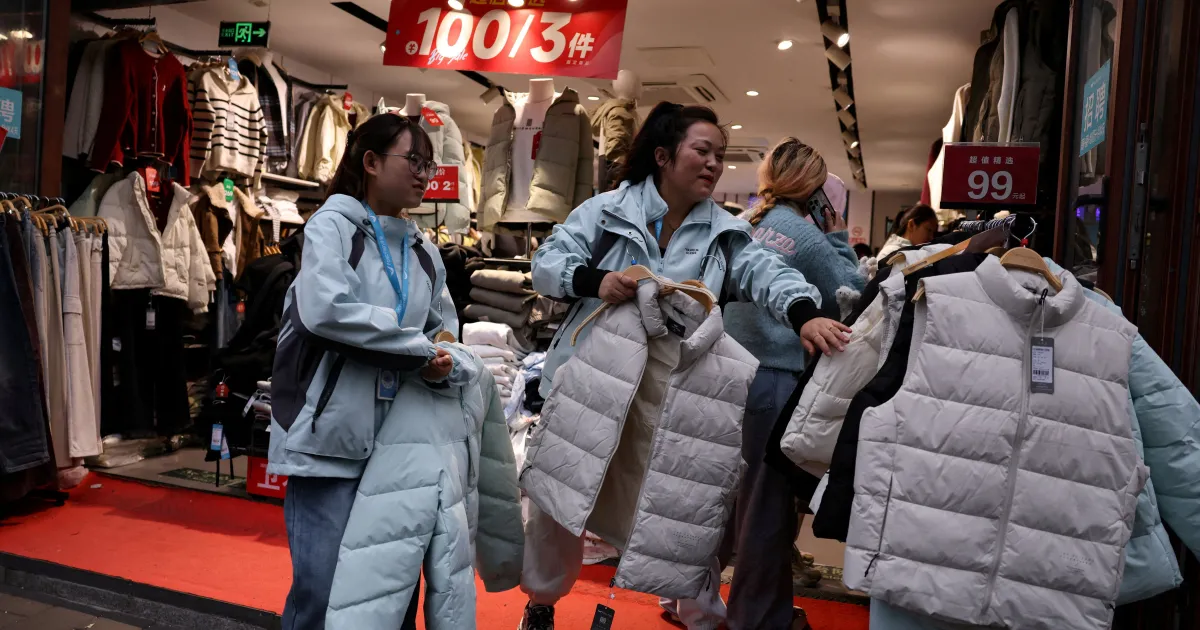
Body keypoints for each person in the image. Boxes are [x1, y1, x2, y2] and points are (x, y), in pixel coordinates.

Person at [520, 102, 851, 630]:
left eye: (720, 154)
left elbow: (766, 273)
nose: (714, 163)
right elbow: (547, 264)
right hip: (592, 383)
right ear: (663, 155)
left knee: (684, 503)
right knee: (562, 494)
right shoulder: (605, 212)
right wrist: (598, 281)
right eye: (703, 151)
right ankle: (541, 602)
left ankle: (698, 614)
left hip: (672, 391)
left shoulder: (724, 231)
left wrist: (804, 314)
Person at [267, 113, 464, 630]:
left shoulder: (424, 251)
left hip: (397, 449)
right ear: (371, 162)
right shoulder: (332, 227)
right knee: (323, 591)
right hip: (327, 439)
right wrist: (416, 350)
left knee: (388, 596)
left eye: (429, 165)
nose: (424, 175)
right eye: (413, 160)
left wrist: (443, 360)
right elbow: (325, 311)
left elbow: (443, 328)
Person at [723, 139, 865, 630]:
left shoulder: (744, 224)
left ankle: (691, 601)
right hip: (772, 381)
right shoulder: (807, 237)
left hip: (724, 373)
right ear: (816, 189)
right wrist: (839, 235)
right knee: (766, 510)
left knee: (716, 498)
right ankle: (758, 618)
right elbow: (851, 298)